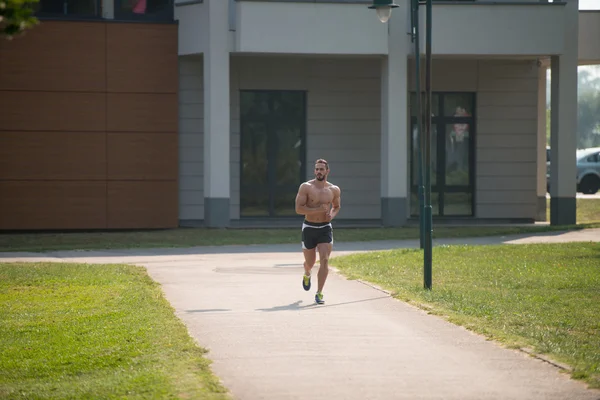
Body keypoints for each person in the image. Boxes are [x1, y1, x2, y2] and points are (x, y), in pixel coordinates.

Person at [294, 159, 341, 304]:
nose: (319, 172)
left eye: (322, 169)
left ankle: (319, 293)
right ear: (314, 171)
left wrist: (330, 216)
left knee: (325, 260)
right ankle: (307, 272)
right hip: (309, 227)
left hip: (325, 228)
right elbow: (298, 209)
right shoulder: (306, 187)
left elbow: (336, 206)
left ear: (327, 171)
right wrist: (317, 210)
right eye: (317, 169)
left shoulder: (334, 189)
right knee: (310, 262)